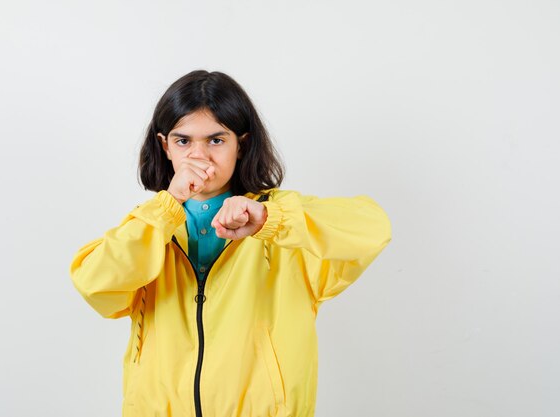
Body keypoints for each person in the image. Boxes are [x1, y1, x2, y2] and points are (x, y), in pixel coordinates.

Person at [69, 69, 392, 417]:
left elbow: (373, 228)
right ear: (165, 146)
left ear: (242, 144)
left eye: (216, 140)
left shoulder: (280, 219)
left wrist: (269, 220)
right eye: (183, 141)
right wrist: (166, 207)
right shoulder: (150, 226)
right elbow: (94, 283)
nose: (200, 156)